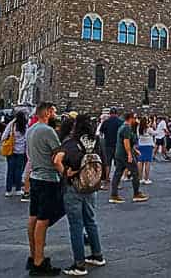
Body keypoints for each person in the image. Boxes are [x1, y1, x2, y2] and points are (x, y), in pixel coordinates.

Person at [55, 113, 106, 275]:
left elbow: (57, 160)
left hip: (74, 187)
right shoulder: (97, 141)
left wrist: (66, 173)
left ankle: (79, 264)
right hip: (91, 186)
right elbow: (104, 162)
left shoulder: (71, 142)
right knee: (91, 220)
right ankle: (97, 255)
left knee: (76, 226)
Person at [27, 102, 65, 276]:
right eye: (54, 111)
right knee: (43, 219)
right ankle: (39, 262)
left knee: (34, 217)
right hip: (48, 179)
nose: (56, 114)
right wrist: (66, 174)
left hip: (35, 178)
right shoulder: (48, 131)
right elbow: (57, 157)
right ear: (48, 112)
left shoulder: (32, 129)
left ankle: (33, 255)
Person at [109, 112, 148, 204]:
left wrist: (134, 150)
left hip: (119, 153)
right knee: (135, 172)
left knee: (118, 173)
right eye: (134, 118)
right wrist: (129, 154)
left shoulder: (123, 127)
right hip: (124, 154)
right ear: (130, 118)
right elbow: (126, 141)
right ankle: (136, 193)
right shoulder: (127, 128)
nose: (136, 120)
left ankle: (114, 195)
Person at [2, 111, 29, 197]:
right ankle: (18, 189)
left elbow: (4, 137)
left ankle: (8, 190)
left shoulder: (12, 125)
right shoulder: (25, 126)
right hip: (21, 151)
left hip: (11, 151)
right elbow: (27, 139)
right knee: (19, 171)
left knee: (10, 171)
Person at [99, 108, 122, 186]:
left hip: (108, 144)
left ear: (110, 113)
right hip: (117, 145)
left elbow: (101, 132)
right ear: (116, 113)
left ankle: (106, 180)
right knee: (117, 164)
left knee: (107, 163)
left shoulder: (106, 122)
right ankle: (117, 182)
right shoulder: (120, 122)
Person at [136, 116, 155, 185]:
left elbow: (137, 136)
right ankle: (146, 178)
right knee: (147, 162)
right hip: (148, 145)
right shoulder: (149, 129)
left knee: (140, 161)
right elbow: (155, 133)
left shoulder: (139, 128)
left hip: (141, 145)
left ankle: (140, 178)